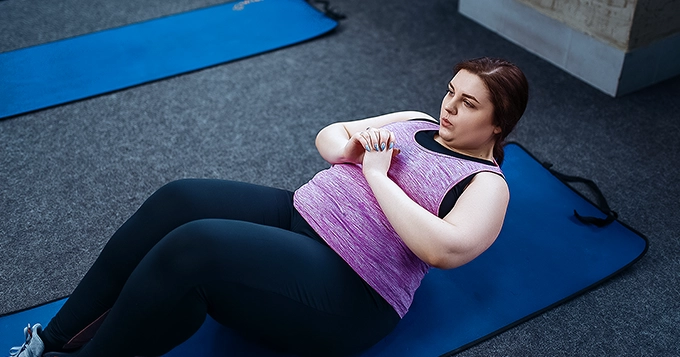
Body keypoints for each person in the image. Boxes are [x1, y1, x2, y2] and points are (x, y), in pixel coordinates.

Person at [8, 57, 528, 357]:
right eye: (450, 92)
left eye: (468, 104)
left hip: (351, 288)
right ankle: (51, 341)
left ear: (499, 124)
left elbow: (444, 250)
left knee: (198, 247)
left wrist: (376, 175)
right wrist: (351, 146)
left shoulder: (486, 185)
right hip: (298, 214)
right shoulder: (416, 120)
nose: (448, 107)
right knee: (180, 198)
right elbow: (329, 138)